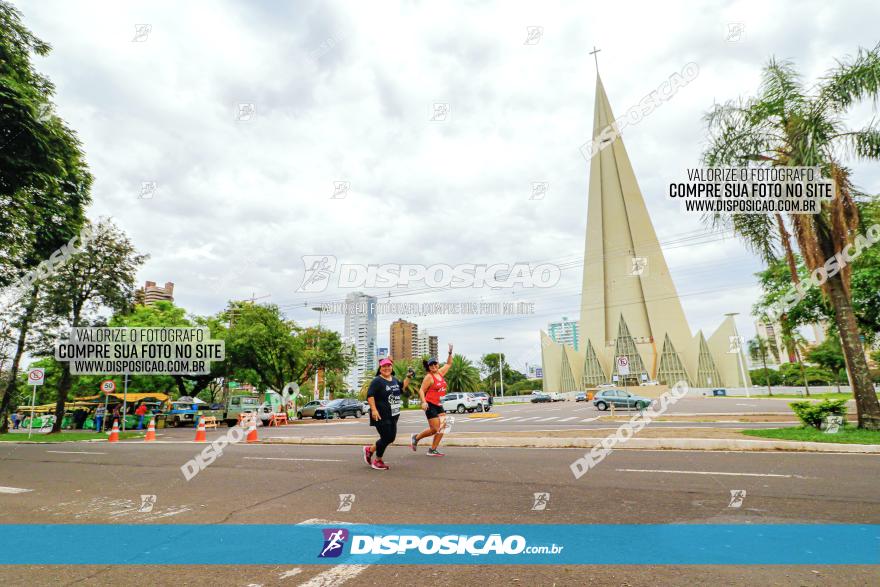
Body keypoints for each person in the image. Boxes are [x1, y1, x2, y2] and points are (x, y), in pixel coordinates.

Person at [363, 357, 411, 470]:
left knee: (391, 438)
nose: (386, 368)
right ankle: (377, 460)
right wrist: (374, 410)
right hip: (380, 414)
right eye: (384, 366)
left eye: (388, 366)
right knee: (386, 437)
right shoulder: (377, 381)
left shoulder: (393, 379)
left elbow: (402, 387)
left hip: (393, 414)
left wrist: (408, 377)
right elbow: (370, 395)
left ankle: (369, 450)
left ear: (391, 367)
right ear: (380, 368)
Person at [411, 343, 454, 456]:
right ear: (429, 367)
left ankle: (432, 449)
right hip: (430, 404)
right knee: (435, 429)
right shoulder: (429, 377)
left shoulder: (440, 372)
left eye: (435, 363)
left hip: (439, 404)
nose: (434, 366)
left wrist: (450, 352)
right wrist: (423, 402)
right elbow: (421, 390)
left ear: (437, 364)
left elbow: (449, 363)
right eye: (431, 365)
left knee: (444, 427)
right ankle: (416, 437)